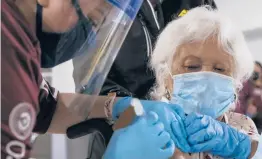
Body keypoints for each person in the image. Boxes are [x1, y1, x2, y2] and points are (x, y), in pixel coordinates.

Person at [1, 0, 182, 158]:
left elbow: (46, 108)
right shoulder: (6, 54)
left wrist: (119, 106)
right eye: (93, 19)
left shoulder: (17, 40)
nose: (87, 31)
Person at [148, 6, 260, 159]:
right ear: (166, 77)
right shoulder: (149, 125)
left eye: (220, 69)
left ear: (235, 82)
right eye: (192, 66)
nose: (207, 77)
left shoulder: (242, 126)